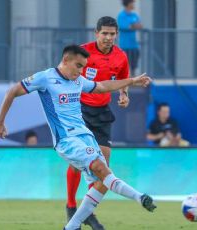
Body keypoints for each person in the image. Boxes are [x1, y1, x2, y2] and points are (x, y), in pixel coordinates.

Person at [0, 44, 156, 230]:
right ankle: (140, 197)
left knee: (102, 183)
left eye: (83, 67)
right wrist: (0, 122)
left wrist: (131, 81)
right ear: (65, 60)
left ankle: (71, 227)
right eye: (78, 65)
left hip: (86, 136)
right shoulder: (45, 78)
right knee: (101, 169)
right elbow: (12, 92)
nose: (81, 71)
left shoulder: (78, 80)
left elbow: (102, 86)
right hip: (66, 139)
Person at [66, 16, 135, 229]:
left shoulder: (121, 56)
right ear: (96, 33)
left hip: (102, 111)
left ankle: (85, 212)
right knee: (78, 162)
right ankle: (71, 207)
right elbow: (66, 74)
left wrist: (124, 93)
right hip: (80, 109)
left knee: (103, 166)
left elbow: (123, 77)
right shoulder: (82, 52)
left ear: (117, 35)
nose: (108, 38)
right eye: (104, 33)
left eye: (112, 34)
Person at [118, 0, 142, 75]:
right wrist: (133, 26)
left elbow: (140, 25)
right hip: (125, 45)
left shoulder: (135, 15)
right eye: (132, 3)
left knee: (134, 64)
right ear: (128, 4)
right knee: (125, 64)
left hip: (134, 45)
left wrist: (132, 26)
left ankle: (133, 79)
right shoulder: (121, 15)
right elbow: (124, 26)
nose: (133, 4)